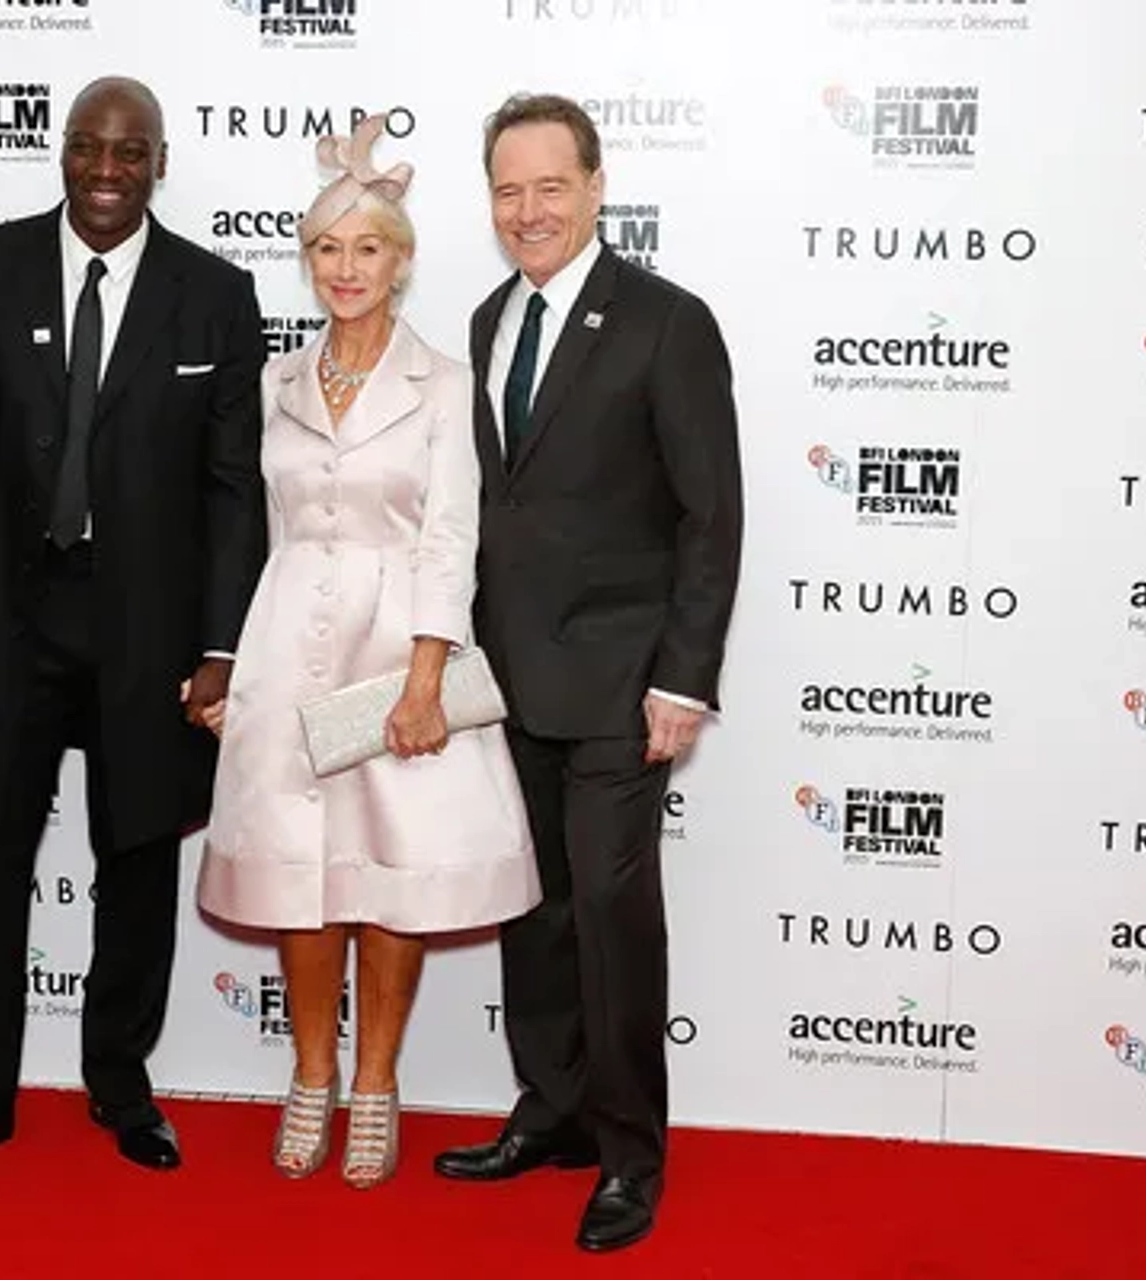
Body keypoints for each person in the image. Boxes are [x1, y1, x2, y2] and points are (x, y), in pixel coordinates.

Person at [0, 76, 267, 1185]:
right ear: (62, 153)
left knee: (138, 853)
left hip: (148, 628)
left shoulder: (216, 295)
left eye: (130, 152)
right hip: (4, 613)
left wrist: (221, 643)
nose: (107, 170)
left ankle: (120, 1080)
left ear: (159, 163)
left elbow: (233, 490)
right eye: (89, 148)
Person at [195, 117, 542, 1190]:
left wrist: (431, 671)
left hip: (398, 645)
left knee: (389, 877)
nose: (346, 270)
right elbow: (242, 520)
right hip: (287, 634)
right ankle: (311, 1073)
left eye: (368, 249)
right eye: (327, 251)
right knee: (304, 875)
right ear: (310, 264)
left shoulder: (445, 383)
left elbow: (451, 531)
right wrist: (221, 659)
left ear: (402, 261)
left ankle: (378, 1081)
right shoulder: (276, 383)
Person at [432, 94, 743, 1252]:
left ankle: (628, 1154)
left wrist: (683, 678)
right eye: (508, 190)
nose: (529, 211)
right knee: (537, 912)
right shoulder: (481, 320)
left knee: (614, 923)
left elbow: (711, 518)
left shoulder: (668, 322)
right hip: (509, 682)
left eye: (551, 186)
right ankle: (551, 1109)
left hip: (622, 684)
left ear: (598, 186)